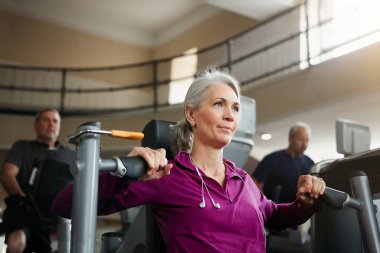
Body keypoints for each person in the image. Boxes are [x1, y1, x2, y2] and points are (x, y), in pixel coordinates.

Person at [52, 68, 325, 253]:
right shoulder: (167, 175)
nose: (230, 115)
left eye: (236, 108)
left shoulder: (242, 179)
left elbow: (274, 216)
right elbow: (64, 204)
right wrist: (123, 175)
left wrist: (303, 205)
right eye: (219, 104)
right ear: (191, 115)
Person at [0, 108, 73, 253]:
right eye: (46, 120)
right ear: (36, 124)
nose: (51, 124)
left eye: (55, 121)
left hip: (53, 219)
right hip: (23, 211)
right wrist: (24, 200)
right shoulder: (23, 147)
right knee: (16, 243)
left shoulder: (69, 154)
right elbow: (7, 174)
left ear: (59, 126)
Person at [252, 122, 314, 204]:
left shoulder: (310, 163)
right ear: (290, 138)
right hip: (275, 211)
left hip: (299, 212)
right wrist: (266, 205)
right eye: (300, 140)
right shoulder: (272, 159)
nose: (304, 144)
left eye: (306, 140)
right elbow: (255, 184)